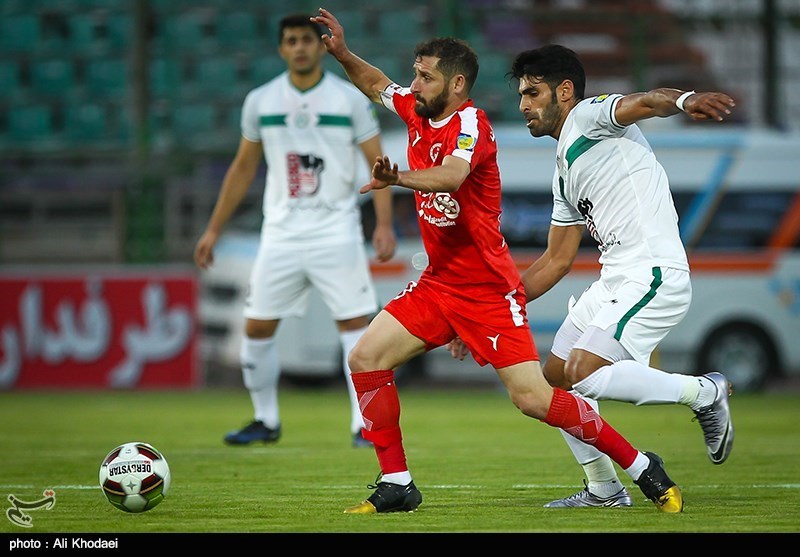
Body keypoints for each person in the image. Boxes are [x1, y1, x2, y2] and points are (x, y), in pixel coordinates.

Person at [311, 7, 685, 514]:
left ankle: (642, 467)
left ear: (458, 83)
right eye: (416, 74)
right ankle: (397, 482)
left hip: (487, 290)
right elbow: (376, 83)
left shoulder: (471, 124)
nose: (414, 85)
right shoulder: (413, 109)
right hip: (439, 284)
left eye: (426, 77)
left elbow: (450, 177)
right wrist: (341, 53)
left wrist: (396, 179)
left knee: (534, 398)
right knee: (365, 357)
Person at [506, 44, 736, 508]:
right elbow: (555, 261)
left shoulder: (589, 116)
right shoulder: (564, 170)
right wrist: (491, 306)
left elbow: (647, 101)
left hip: (652, 273)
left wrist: (686, 100)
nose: (523, 105)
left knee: (584, 373)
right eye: (521, 95)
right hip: (615, 279)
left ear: (564, 91)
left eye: (532, 93)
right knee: (553, 384)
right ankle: (604, 489)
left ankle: (705, 392)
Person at [193, 13, 396, 449]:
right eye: (291, 40)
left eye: (307, 39)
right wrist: (213, 229)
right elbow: (243, 168)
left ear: (320, 46)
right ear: (281, 48)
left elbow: (377, 166)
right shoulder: (261, 101)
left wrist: (381, 224)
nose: (300, 47)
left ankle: (364, 424)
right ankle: (265, 419)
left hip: (336, 230)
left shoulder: (349, 100)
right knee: (256, 328)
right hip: (281, 234)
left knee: (354, 327)